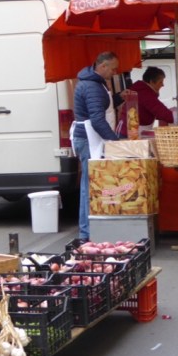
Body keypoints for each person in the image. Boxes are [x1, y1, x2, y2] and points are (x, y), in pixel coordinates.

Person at [71, 52, 133, 243]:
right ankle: (85, 232)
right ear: (103, 66)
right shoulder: (93, 86)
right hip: (89, 139)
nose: (115, 72)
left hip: (91, 138)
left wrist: (117, 97)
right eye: (113, 68)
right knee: (88, 185)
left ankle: (88, 230)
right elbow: (97, 119)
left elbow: (100, 108)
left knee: (89, 184)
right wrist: (114, 141)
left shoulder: (94, 83)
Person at [119, 66, 175, 138]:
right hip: (127, 133)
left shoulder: (143, 90)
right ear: (151, 81)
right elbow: (162, 113)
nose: (163, 85)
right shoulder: (145, 93)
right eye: (160, 82)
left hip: (132, 130)